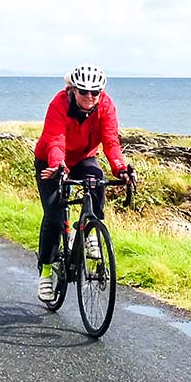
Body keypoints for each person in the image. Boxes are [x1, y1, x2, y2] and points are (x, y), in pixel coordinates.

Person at [33, 64, 130, 303]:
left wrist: (120, 168)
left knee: (96, 181)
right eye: (83, 91)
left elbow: (110, 140)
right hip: (51, 162)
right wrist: (57, 165)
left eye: (94, 92)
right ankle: (46, 271)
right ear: (73, 90)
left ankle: (88, 232)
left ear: (101, 92)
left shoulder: (106, 106)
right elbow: (55, 139)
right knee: (54, 215)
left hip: (85, 157)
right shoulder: (59, 104)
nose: (89, 97)